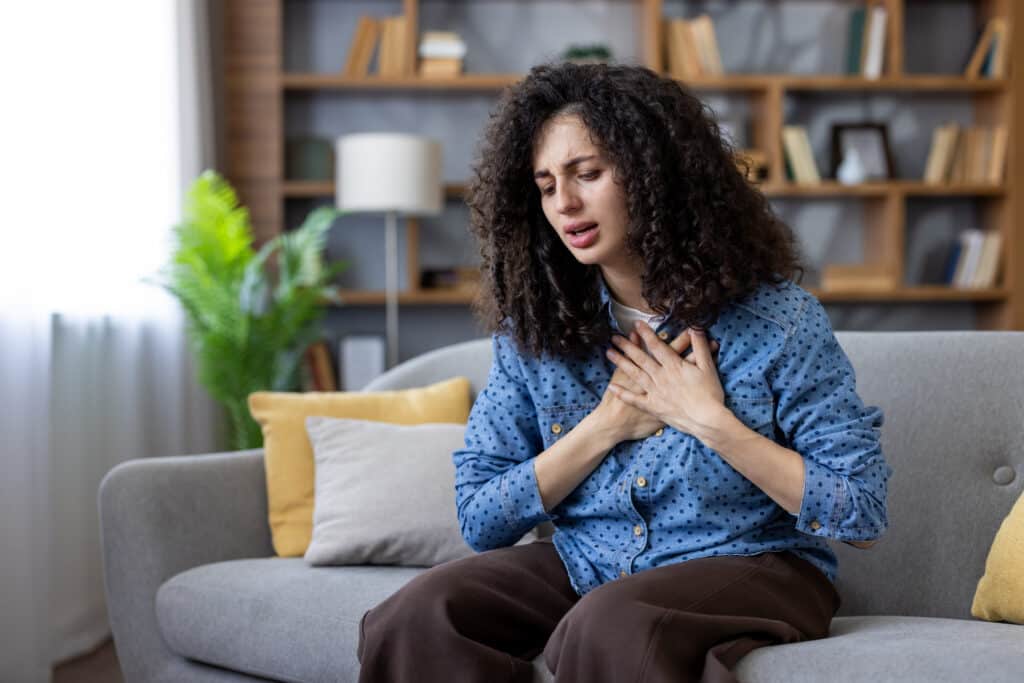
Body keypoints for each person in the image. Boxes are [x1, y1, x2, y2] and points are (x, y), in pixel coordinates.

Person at [357, 62, 892, 683]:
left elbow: (862, 511)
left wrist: (710, 423)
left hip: (754, 564)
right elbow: (481, 517)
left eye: (588, 174)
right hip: (591, 561)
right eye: (547, 184)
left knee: (614, 625)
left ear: (653, 174)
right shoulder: (535, 334)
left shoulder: (778, 322)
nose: (566, 204)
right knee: (418, 614)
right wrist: (605, 427)